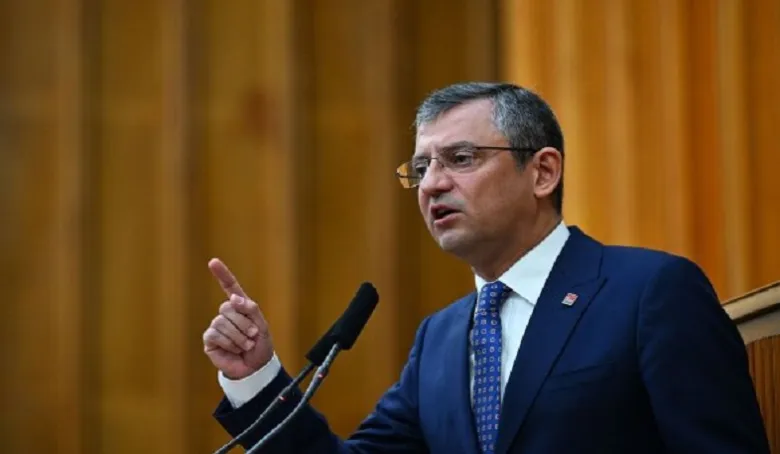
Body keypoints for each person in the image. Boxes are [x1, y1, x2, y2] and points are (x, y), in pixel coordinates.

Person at [202, 82, 771, 453]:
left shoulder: (650, 293)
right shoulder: (441, 338)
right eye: (421, 168)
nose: (432, 184)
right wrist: (256, 376)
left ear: (542, 172)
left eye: (460, 159)